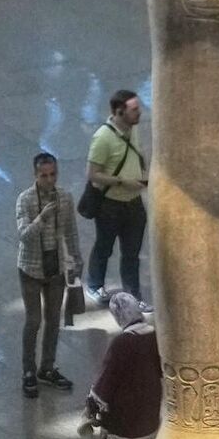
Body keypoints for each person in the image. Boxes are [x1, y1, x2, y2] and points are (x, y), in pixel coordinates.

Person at [85, 290, 162, 439]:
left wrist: (92, 405)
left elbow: (107, 379)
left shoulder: (122, 342)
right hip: (148, 409)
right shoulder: (154, 336)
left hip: (124, 413)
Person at [16, 150, 81, 399]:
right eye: (44, 175)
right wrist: (41, 219)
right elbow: (24, 235)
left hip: (55, 269)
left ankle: (47, 367)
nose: (49, 180)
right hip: (31, 268)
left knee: (53, 319)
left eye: (53, 174)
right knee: (33, 321)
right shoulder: (25, 200)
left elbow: (71, 231)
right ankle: (28, 370)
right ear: (35, 175)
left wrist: (76, 258)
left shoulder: (65, 197)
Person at [84, 87, 147, 303]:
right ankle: (95, 285)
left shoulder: (133, 129)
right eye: (134, 109)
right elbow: (93, 175)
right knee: (104, 247)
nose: (139, 112)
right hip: (110, 205)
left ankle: (133, 295)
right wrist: (122, 181)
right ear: (120, 112)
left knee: (132, 253)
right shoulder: (102, 138)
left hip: (134, 202)